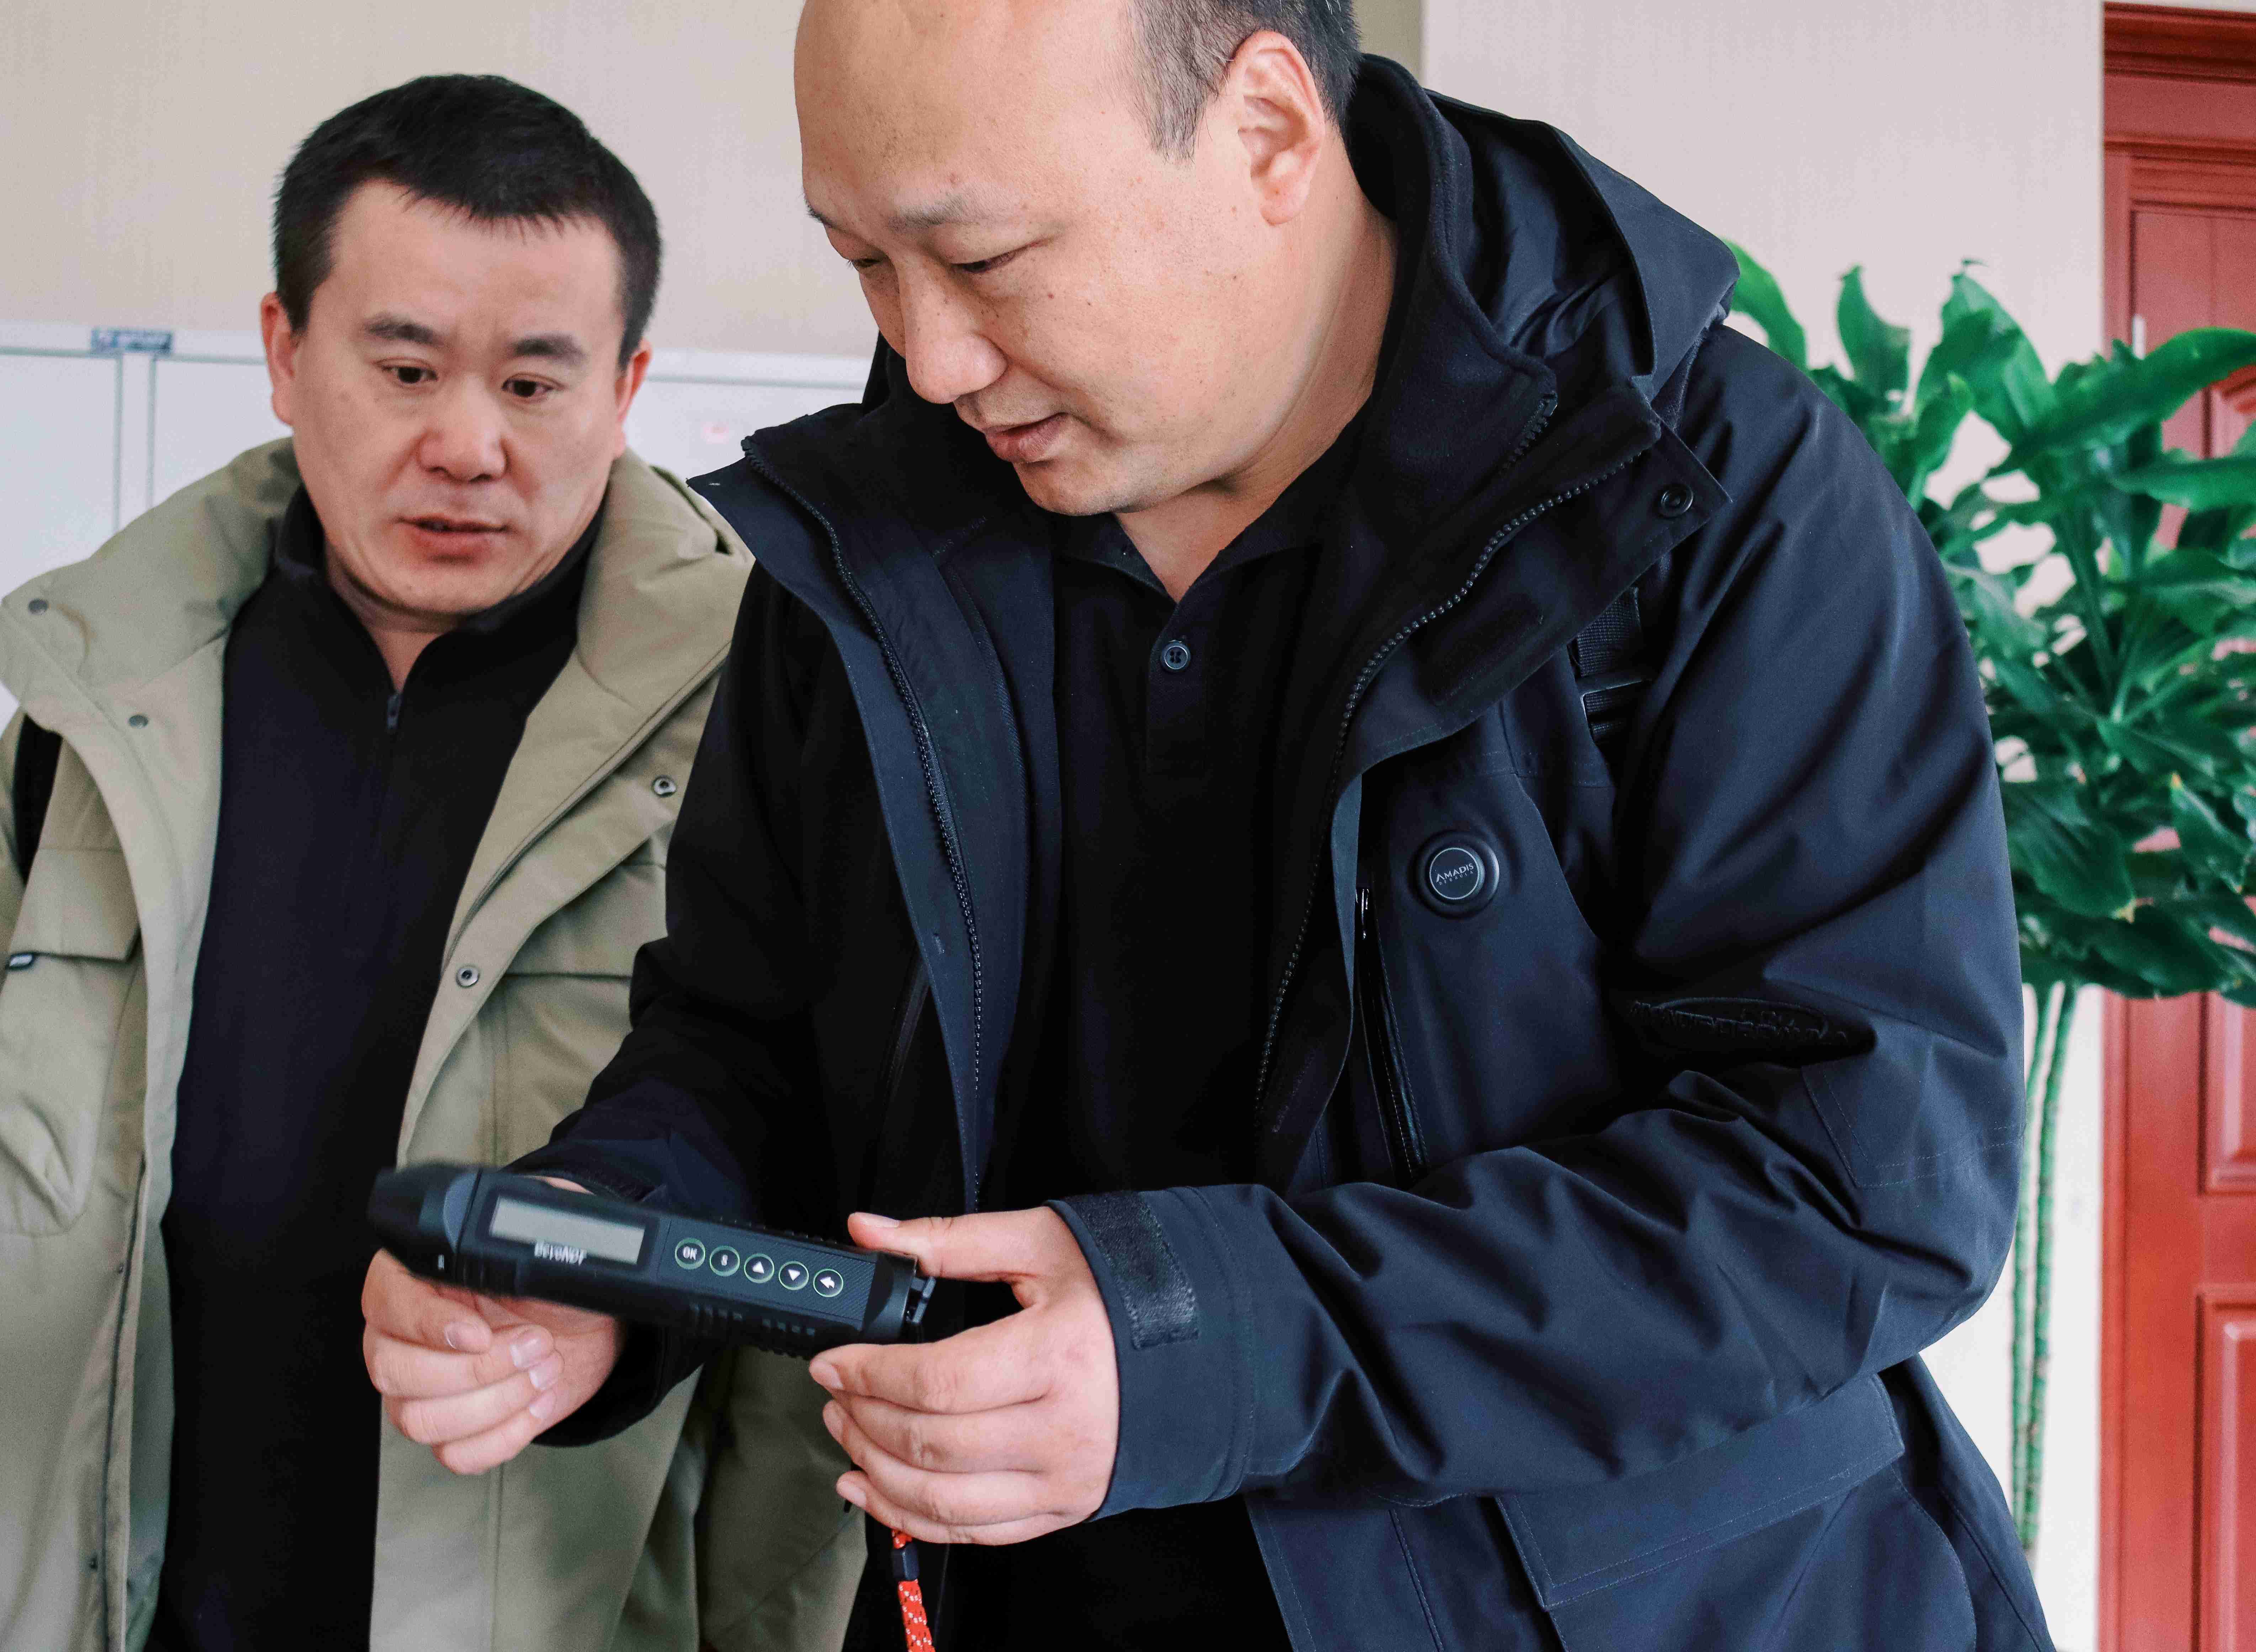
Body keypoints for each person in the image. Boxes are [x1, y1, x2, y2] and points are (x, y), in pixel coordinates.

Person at [360, 5, 2054, 1649]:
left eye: (986, 258)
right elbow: (752, 1042)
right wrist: (606, 1246)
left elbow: (1856, 1184)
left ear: (1265, 131)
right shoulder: (875, 539)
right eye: (866, 261)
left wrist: (1206, 1345)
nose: (931, 357)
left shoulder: (1711, 495)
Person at [0, 74, 858, 1652]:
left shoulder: (767, 720)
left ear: (627, 386)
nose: (467, 445)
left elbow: (819, 1196)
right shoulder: (107, 695)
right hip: (115, 1603)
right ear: (285, 351)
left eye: (534, 383)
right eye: (404, 369)